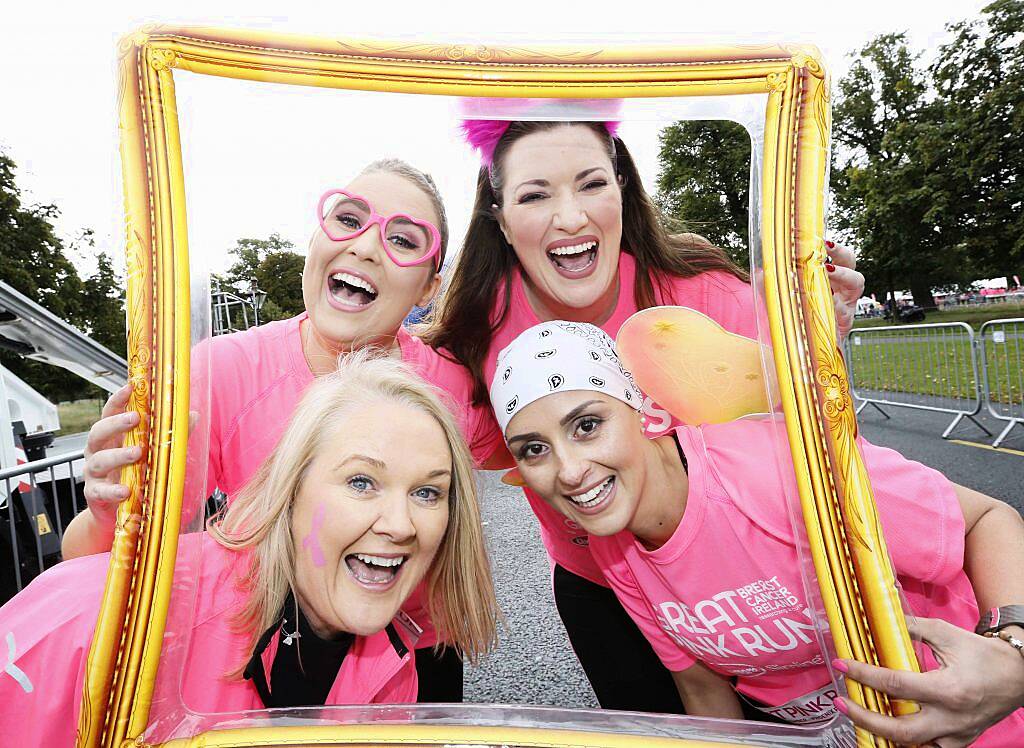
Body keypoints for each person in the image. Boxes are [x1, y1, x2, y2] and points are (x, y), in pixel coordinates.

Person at [423, 114, 864, 712]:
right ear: (498, 217)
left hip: (752, 581)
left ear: (623, 188)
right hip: (605, 586)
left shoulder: (706, 295)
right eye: (534, 194)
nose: (571, 216)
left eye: (591, 183)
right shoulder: (476, 334)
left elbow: (821, 456)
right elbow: (397, 420)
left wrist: (816, 345)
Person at [62, 157, 505, 702]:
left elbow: (536, 454)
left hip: (418, 659)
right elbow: (98, 573)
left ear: (427, 288)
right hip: (271, 660)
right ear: (315, 243)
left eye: (404, 240)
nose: (365, 246)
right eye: (348, 219)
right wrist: (110, 512)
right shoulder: (220, 373)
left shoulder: (456, 388)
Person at [490, 319, 1024, 745]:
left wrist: (1011, 652)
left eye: (587, 426)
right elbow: (703, 690)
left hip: (977, 722)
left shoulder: (773, 466)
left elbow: (988, 519)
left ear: (645, 414)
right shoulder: (614, 549)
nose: (568, 470)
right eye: (534, 449)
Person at [0, 354, 499, 746]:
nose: (401, 524)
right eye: (362, 481)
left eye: (428, 492)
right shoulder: (99, 621)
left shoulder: (392, 669)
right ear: (290, 490)